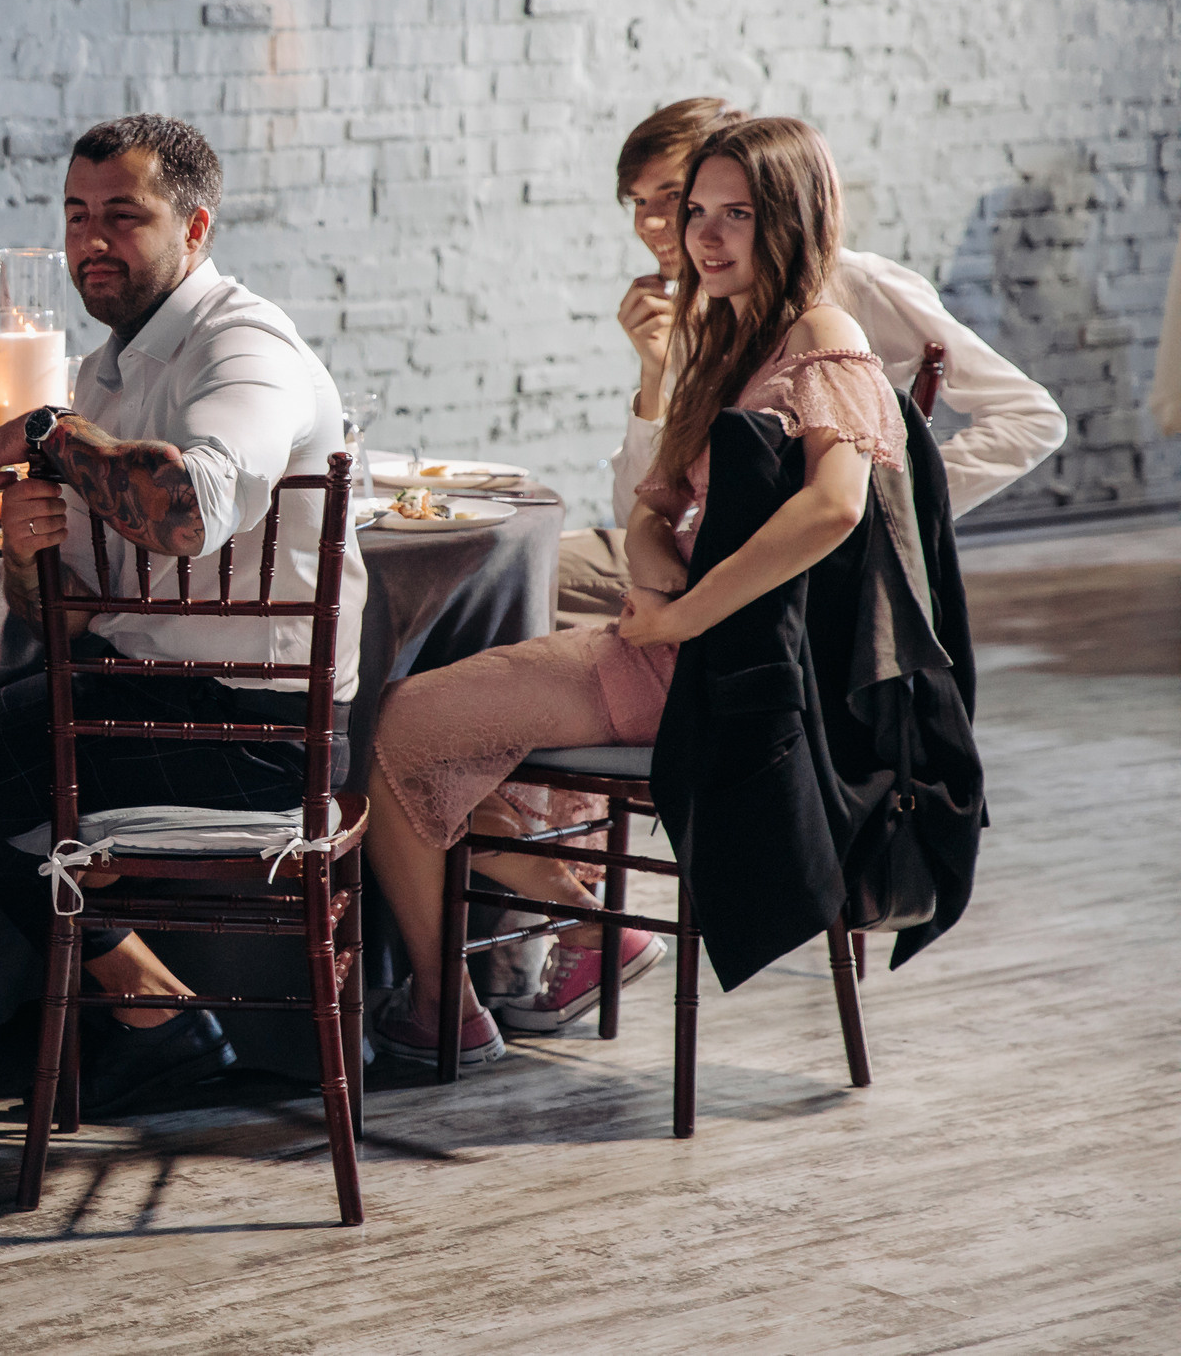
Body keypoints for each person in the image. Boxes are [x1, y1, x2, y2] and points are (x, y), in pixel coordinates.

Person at [0, 115, 368, 1117]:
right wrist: (26, 552)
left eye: (122, 218)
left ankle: (146, 1011)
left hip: (254, 729)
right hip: (147, 695)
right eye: (77, 215)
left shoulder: (244, 349)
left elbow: (187, 510)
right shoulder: (107, 373)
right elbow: (68, 619)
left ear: (195, 227)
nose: (90, 241)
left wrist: (49, 432)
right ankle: (136, 1006)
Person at [367, 116, 912, 1068]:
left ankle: (446, 1005)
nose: (703, 234)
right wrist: (657, 556)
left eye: (735, 213)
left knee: (390, 731)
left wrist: (683, 613)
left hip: (726, 673)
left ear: (795, 214)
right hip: (667, 644)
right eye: (695, 212)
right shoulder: (729, 332)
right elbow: (657, 501)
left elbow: (835, 508)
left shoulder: (825, 333)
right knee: (432, 719)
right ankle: (580, 929)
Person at [563, 98, 1066, 625]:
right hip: (696, 562)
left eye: (674, 195)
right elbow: (639, 512)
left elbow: (1029, 417)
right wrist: (655, 375)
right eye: (641, 203)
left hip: (784, 588)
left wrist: (891, 511)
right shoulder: (702, 306)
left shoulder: (853, 288)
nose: (653, 222)